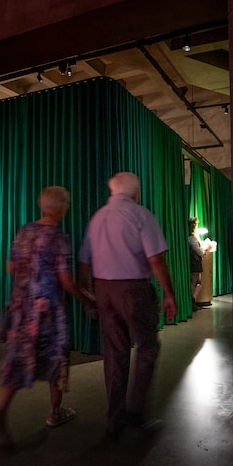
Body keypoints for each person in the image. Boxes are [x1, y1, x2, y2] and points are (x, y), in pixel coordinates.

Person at [0, 186, 95, 446]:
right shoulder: (58, 238)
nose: (67, 209)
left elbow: (11, 268)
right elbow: (67, 281)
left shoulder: (24, 232)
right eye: (66, 204)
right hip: (48, 313)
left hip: (22, 310)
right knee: (57, 358)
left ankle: (0, 412)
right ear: (59, 208)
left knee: (18, 359)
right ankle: (55, 412)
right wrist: (87, 298)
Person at [78, 172, 177, 440]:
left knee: (114, 353)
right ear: (135, 192)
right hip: (133, 290)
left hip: (103, 289)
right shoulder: (141, 214)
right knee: (147, 347)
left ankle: (114, 420)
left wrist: (88, 294)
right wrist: (169, 293)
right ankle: (135, 409)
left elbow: (84, 262)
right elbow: (156, 260)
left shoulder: (97, 217)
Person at [188, 217, 205, 311]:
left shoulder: (191, 237)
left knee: (197, 282)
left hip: (194, 260)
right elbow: (197, 250)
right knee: (195, 281)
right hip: (195, 261)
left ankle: (193, 300)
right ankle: (192, 301)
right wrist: (203, 252)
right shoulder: (192, 238)